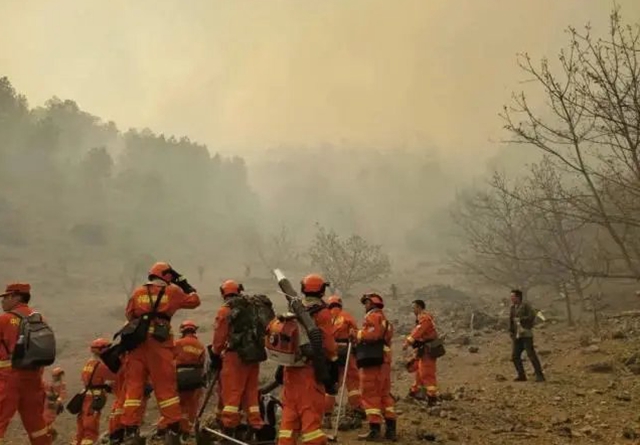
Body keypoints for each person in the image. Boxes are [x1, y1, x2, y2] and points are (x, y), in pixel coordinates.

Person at [121, 262, 200, 445]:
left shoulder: (138, 292)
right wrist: (185, 284)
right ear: (167, 276)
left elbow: (129, 314)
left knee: (133, 388)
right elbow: (194, 301)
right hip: (159, 343)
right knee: (166, 387)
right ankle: (172, 430)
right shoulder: (172, 291)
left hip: (137, 343)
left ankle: (131, 432)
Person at [272, 274, 338, 445]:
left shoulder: (295, 309)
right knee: (310, 416)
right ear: (322, 290)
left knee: (289, 417)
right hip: (308, 372)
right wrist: (331, 362)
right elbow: (329, 344)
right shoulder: (322, 313)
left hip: (289, 371)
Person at [210, 280, 265, 440]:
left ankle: (229, 430)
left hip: (234, 357)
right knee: (251, 393)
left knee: (232, 394)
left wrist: (215, 353)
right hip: (253, 357)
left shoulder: (226, 310)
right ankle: (256, 427)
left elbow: (219, 337)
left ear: (223, 293)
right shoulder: (252, 308)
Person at [0, 282, 53, 445]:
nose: (2, 302)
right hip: (34, 378)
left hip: (8, 378)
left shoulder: (5, 319)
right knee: (37, 425)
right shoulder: (39, 319)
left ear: (16, 297)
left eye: (6, 297)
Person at [355, 293, 396, 441]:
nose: (365, 306)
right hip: (384, 360)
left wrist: (358, 334)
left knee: (369, 393)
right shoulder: (386, 320)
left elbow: (372, 335)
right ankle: (391, 430)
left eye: (366, 303)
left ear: (372, 304)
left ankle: (375, 430)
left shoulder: (373, 316)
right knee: (384, 393)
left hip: (372, 360)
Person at [324, 295, 363, 428]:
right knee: (352, 384)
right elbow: (355, 334)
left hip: (331, 354)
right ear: (339, 305)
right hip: (346, 352)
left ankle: (327, 417)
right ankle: (357, 412)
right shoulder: (346, 316)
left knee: (332, 386)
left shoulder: (325, 318)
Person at [75, 338, 116, 445]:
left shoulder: (88, 364)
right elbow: (116, 376)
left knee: (81, 428)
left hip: (85, 396)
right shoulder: (100, 366)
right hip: (94, 399)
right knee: (90, 429)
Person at [402, 299, 439, 405]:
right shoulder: (423, 318)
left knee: (426, 373)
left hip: (427, 350)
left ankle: (432, 397)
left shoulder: (424, 318)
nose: (412, 310)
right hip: (423, 349)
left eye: (414, 307)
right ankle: (414, 392)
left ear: (419, 307)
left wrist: (407, 342)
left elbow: (418, 331)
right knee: (419, 370)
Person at [173, 320, 205, 440]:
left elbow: (169, 360)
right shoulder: (200, 346)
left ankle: (173, 429)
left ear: (182, 330)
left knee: (177, 404)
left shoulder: (177, 343)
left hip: (179, 377)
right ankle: (187, 430)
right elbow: (203, 364)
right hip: (195, 378)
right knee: (192, 405)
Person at [509, 289, 545, 382]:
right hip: (517, 335)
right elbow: (511, 320)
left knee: (531, 354)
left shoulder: (526, 306)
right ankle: (521, 375)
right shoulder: (512, 308)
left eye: (513, 296)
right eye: (511, 297)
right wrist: (511, 331)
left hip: (526, 334)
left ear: (518, 297)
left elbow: (532, 316)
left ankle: (539, 375)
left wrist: (521, 319)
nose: (511, 298)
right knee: (515, 356)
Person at [43, 367, 66, 439]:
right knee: (45, 420)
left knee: (47, 421)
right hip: (47, 404)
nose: (58, 377)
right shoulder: (50, 383)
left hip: (52, 405)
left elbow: (62, 394)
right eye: (57, 375)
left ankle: (51, 434)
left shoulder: (62, 384)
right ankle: (50, 434)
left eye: (59, 375)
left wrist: (58, 401)